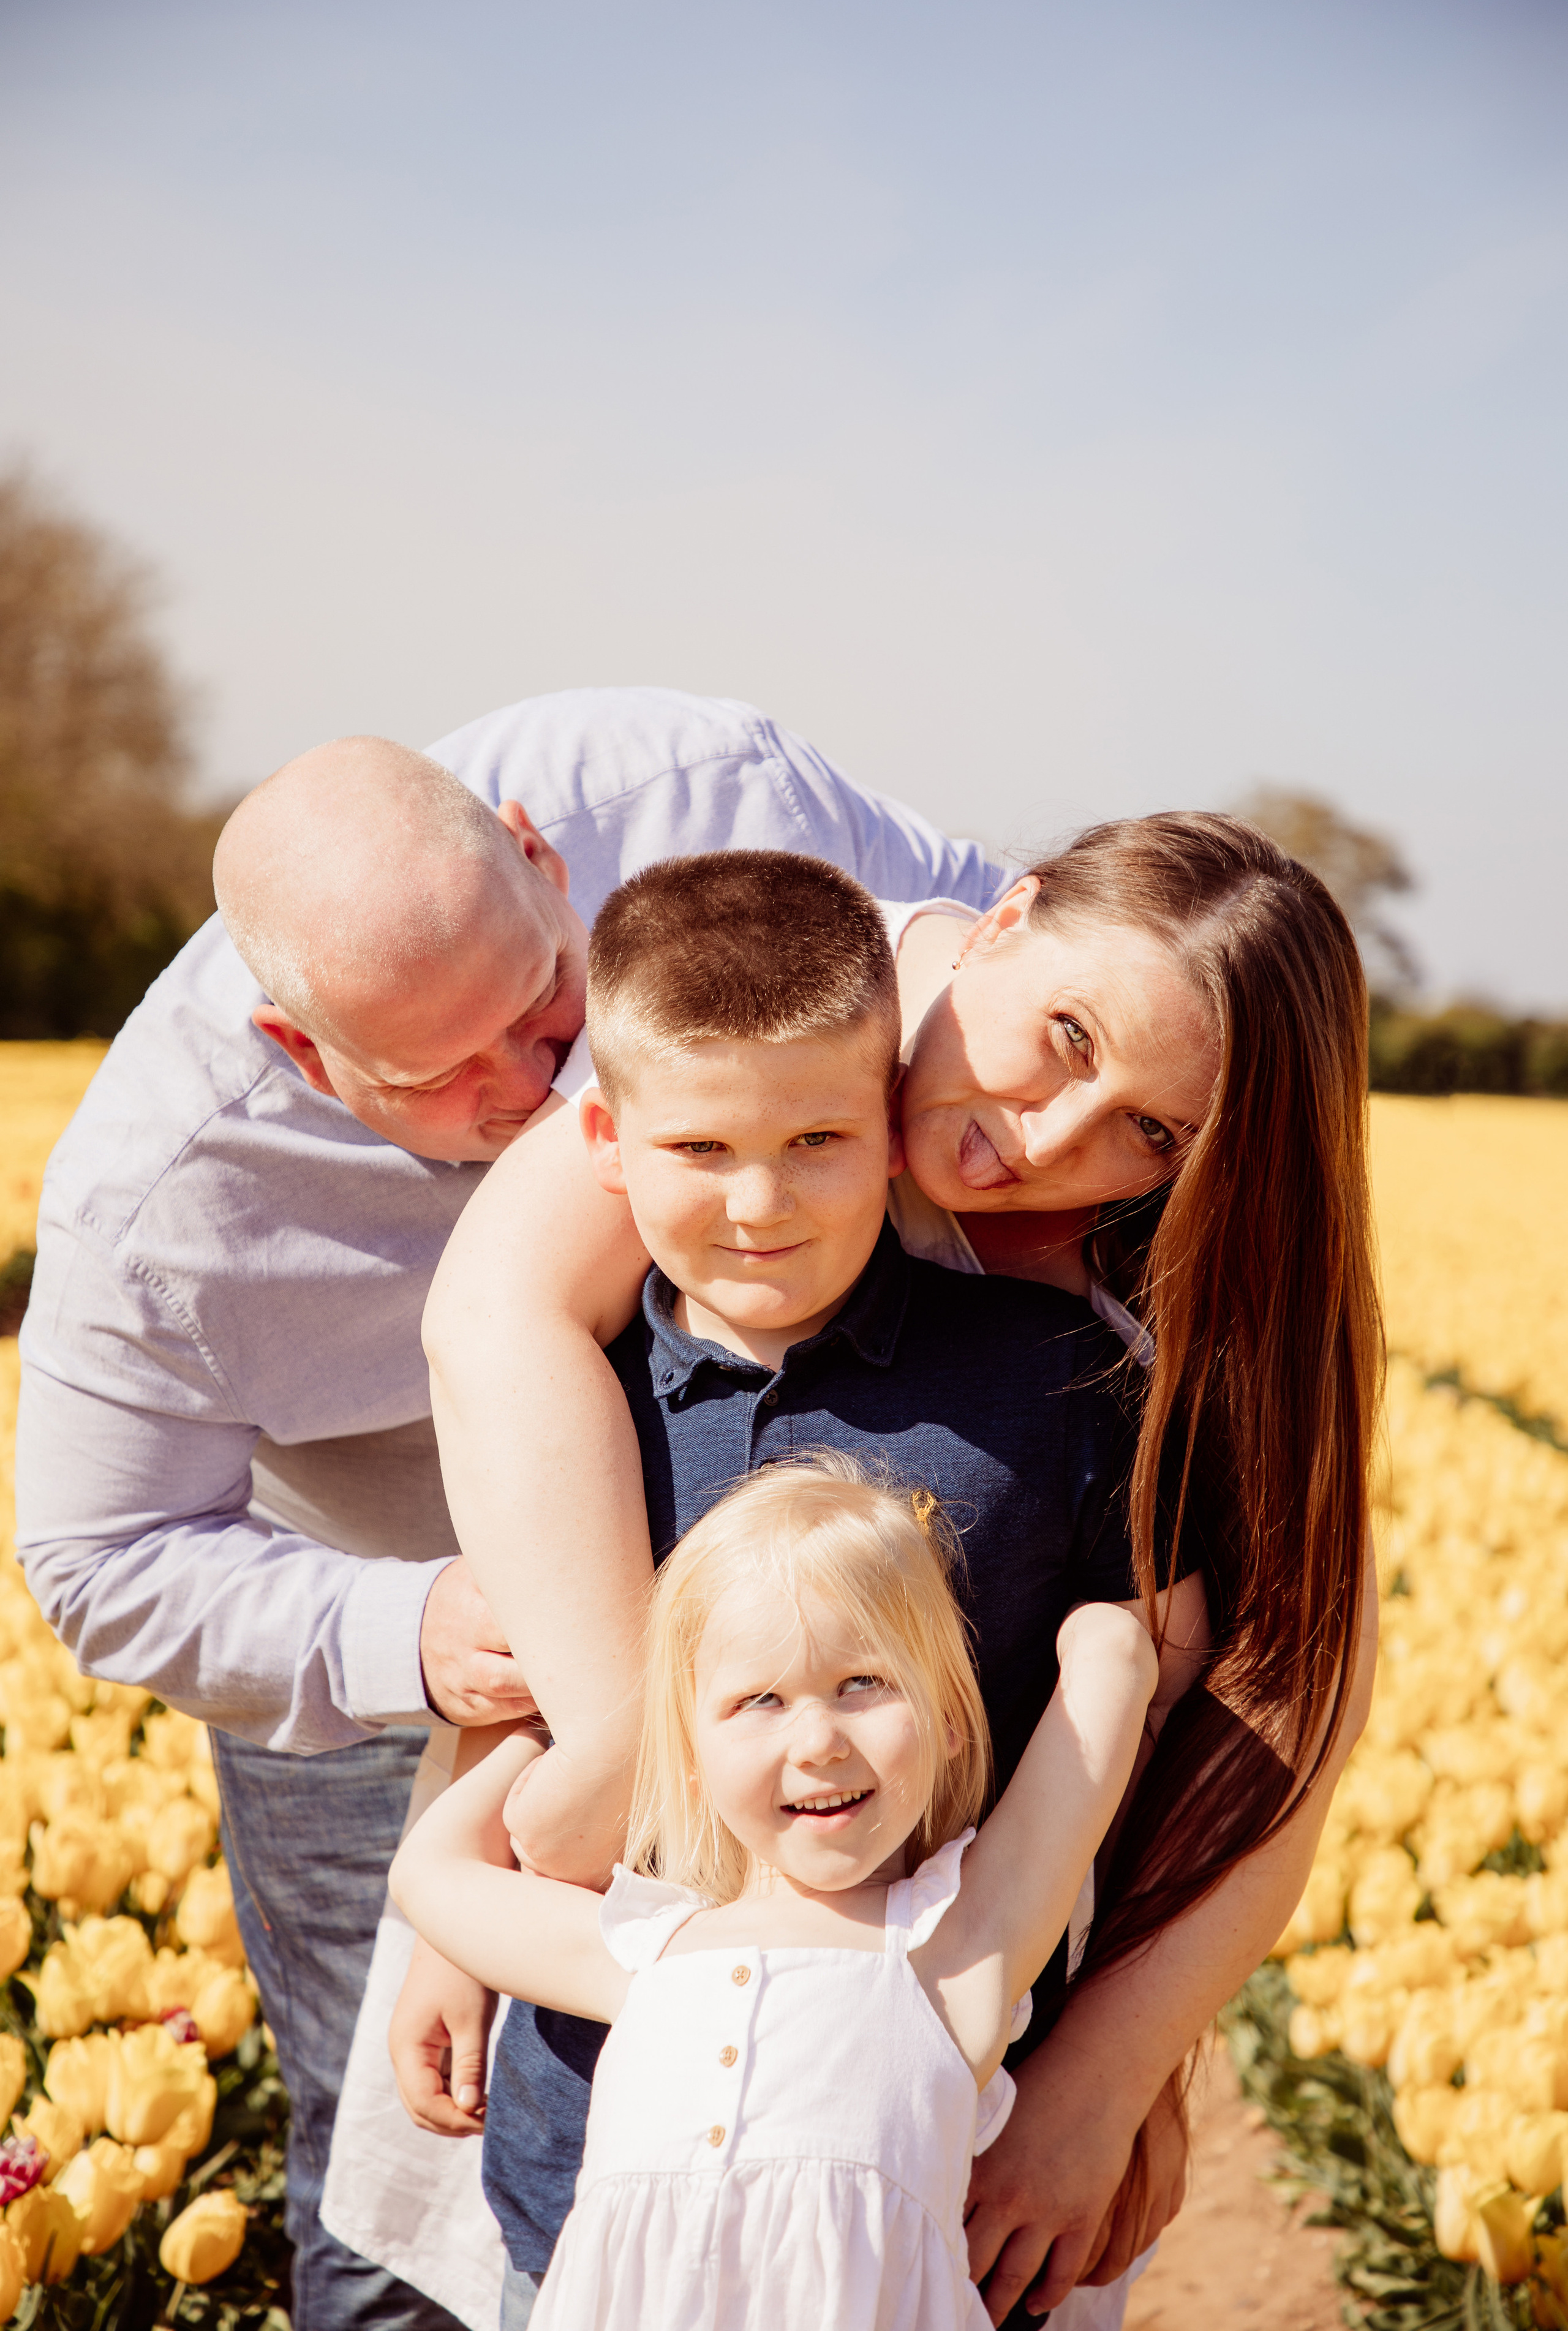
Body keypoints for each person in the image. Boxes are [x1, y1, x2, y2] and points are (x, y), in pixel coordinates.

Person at [14, 687, 1001, 2331]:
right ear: (298, 1055)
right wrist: (415, 1628)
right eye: (441, 1076)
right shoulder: (158, 1209)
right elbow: (101, 1561)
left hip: (793, 1592)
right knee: (405, 2161)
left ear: (546, 858)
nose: (544, 1088)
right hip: (408, 1642)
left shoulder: (698, 792)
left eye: (546, 1000)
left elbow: (987, 966)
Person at [417, 810, 1383, 2325]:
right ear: (1000, 923)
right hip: (631, 2115)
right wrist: (558, 1809)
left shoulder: (1105, 1342)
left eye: (1150, 1132)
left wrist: (1114, 2076)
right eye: (1063, 1038)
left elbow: (1266, 1701)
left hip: (927, 2102)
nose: (1049, 1144)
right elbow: (500, 1362)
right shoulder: (766, 1030)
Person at [393, 1456, 1160, 2331]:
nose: (818, 1741)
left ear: (951, 1719)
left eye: (864, 1683)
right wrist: (580, 1730)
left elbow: (1116, 1654)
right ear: (684, 1750)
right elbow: (433, 1873)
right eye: (759, 1700)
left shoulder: (958, 1952)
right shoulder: (644, 1951)